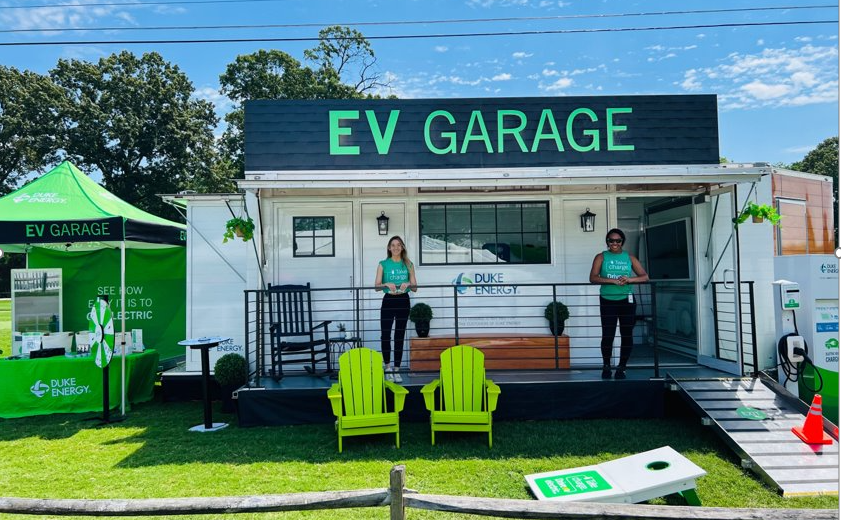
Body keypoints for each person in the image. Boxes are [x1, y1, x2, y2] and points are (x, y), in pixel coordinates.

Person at [589, 228, 649, 380]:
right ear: (607, 241)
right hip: (607, 299)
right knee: (608, 334)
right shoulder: (601, 257)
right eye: (611, 240)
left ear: (622, 242)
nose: (614, 243)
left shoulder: (629, 257)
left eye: (618, 240)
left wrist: (629, 279)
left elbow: (644, 277)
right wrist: (612, 281)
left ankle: (622, 367)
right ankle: (606, 366)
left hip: (627, 300)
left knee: (626, 334)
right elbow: (593, 277)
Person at [374, 235, 417, 383]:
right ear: (389, 248)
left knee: (399, 335)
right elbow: (376, 287)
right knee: (385, 335)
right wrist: (386, 284)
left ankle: (397, 369)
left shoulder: (409, 264)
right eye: (393, 245)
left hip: (403, 301)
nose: (396, 247)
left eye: (399, 245)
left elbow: (415, 287)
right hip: (388, 301)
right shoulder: (383, 264)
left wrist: (408, 284)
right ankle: (388, 368)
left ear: (402, 247)